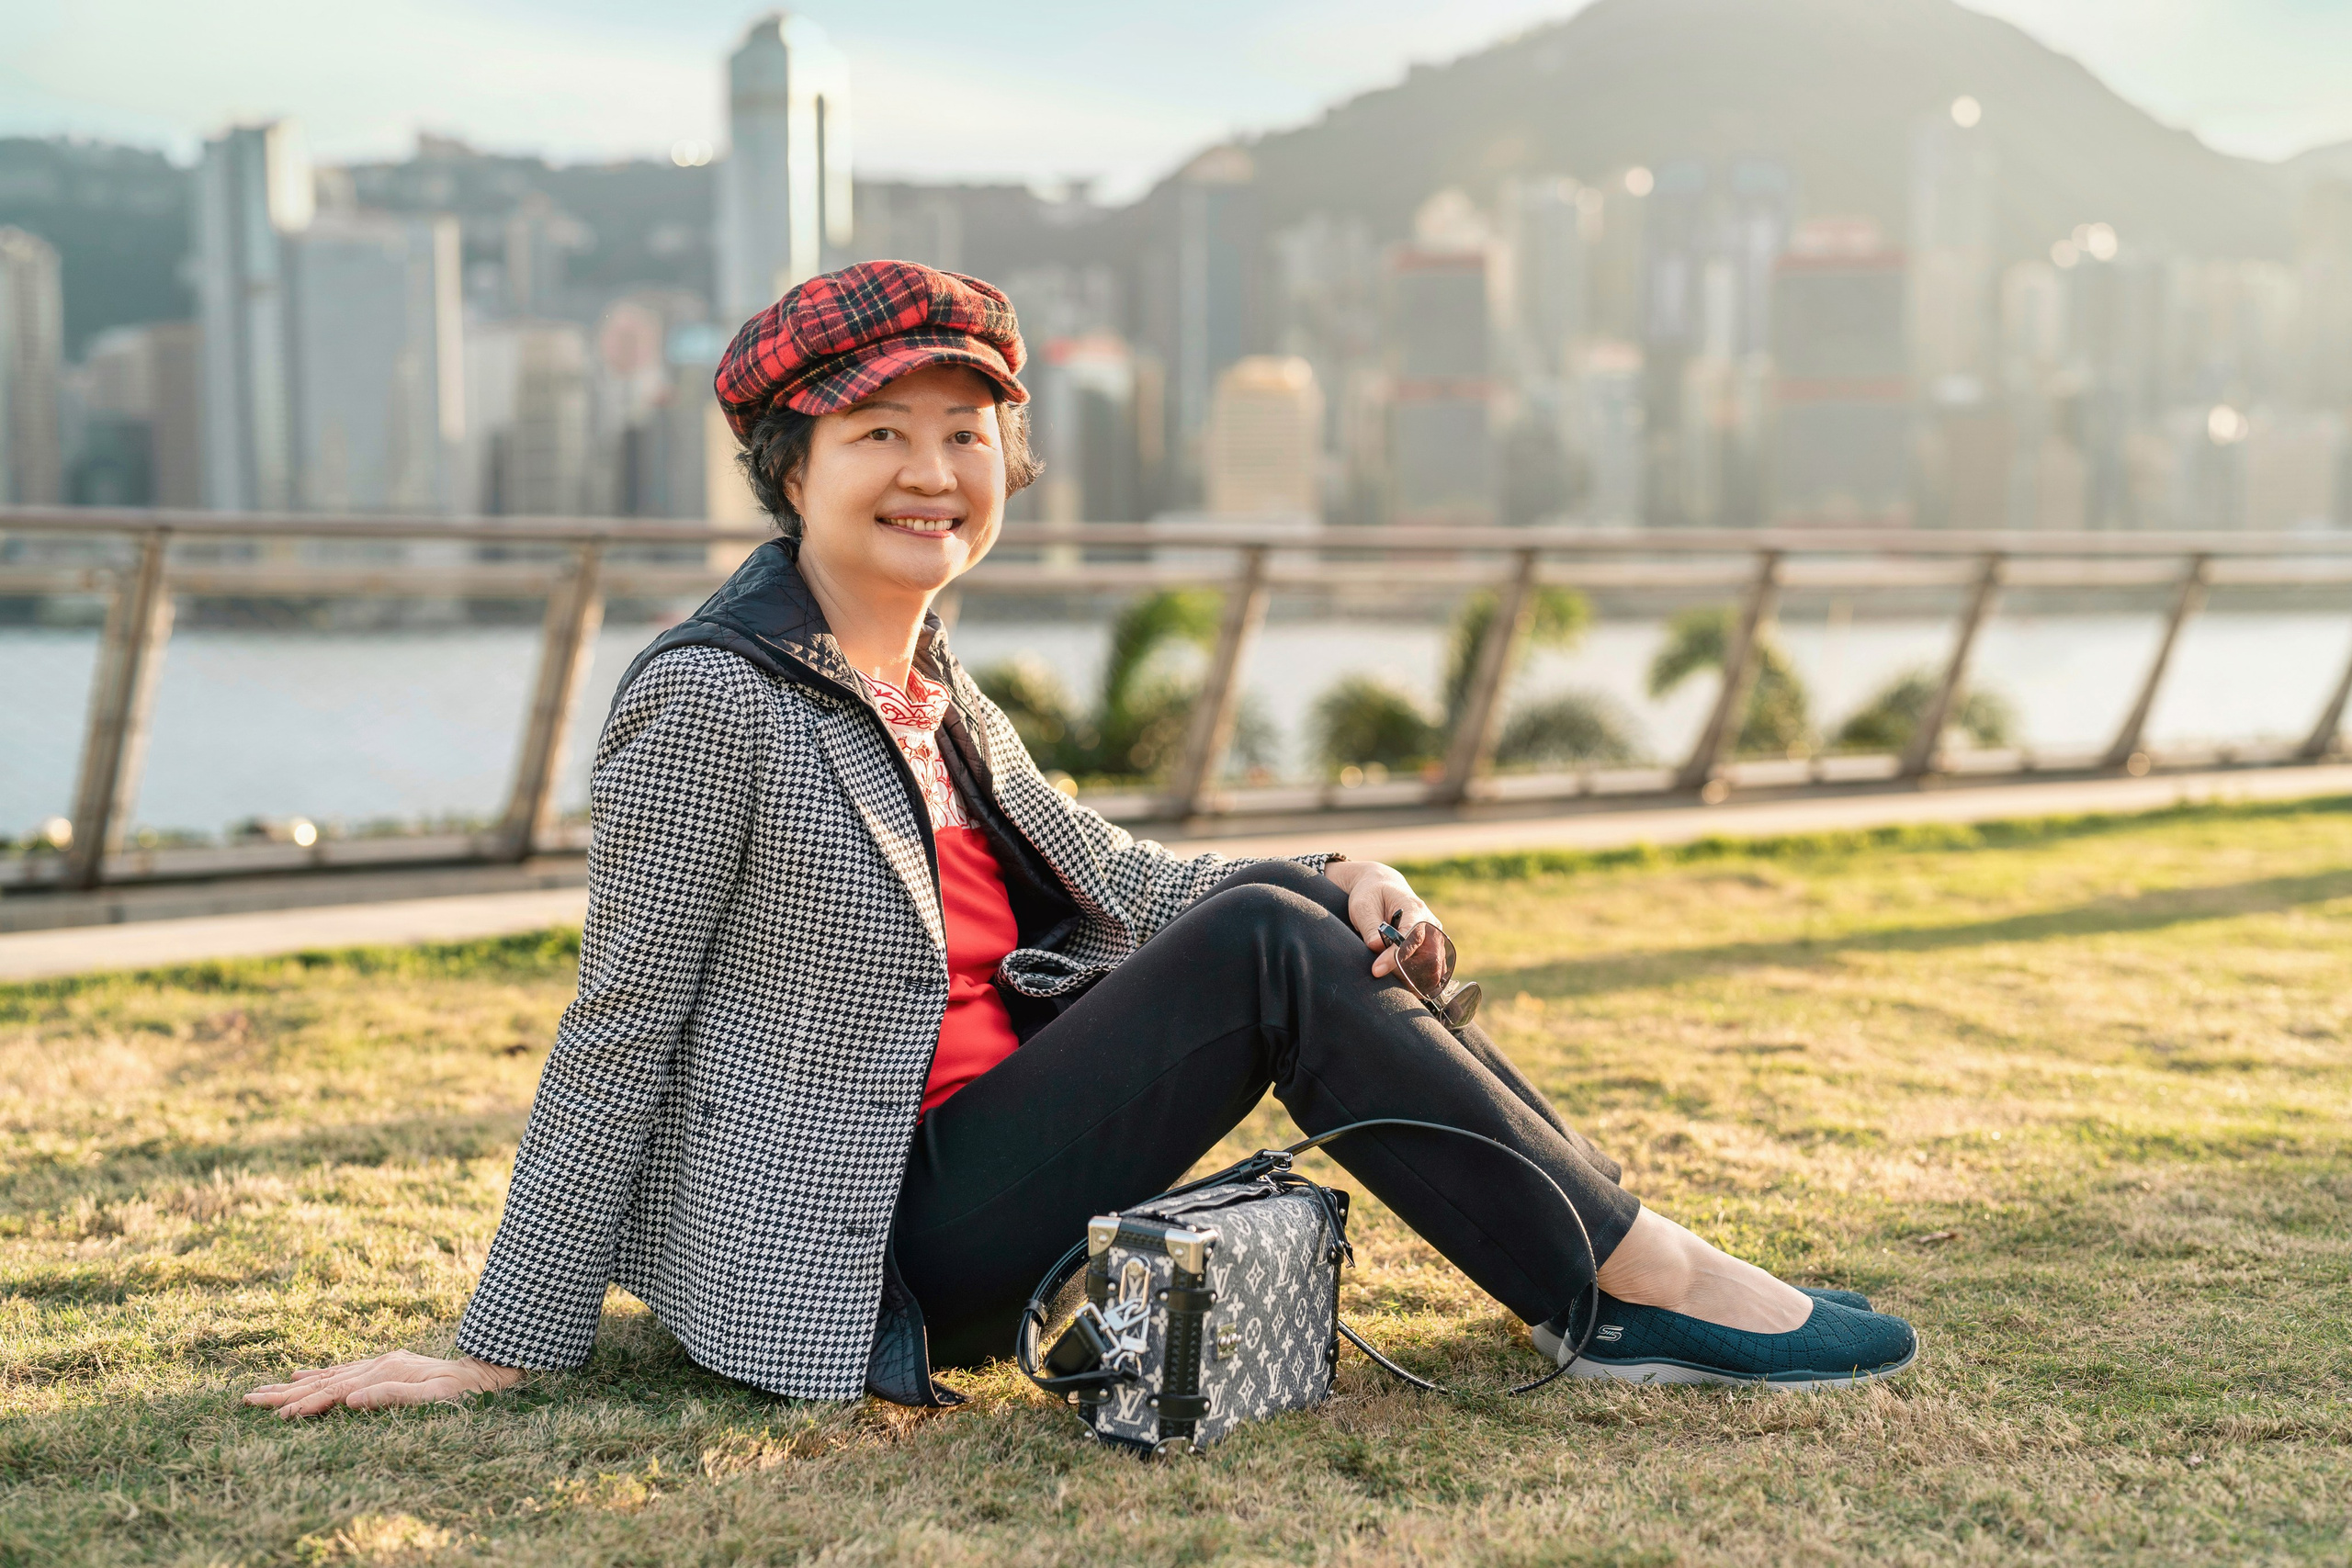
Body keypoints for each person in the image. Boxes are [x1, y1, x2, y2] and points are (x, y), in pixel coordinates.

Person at [248, 261, 1915, 1419]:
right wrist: (509, 1339)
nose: (932, 471)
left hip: (997, 1165)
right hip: (872, 1244)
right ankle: (1630, 1285)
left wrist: (1338, 870)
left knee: (1292, 916)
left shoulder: (929, 686)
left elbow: (1123, 878)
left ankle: (1623, 1265)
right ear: (791, 471)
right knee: (1265, 945)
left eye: (964, 434)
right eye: (880, 435)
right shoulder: (711, 699)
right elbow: (620, 1022)